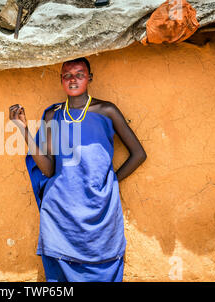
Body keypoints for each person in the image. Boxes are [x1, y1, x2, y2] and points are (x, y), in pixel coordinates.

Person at [8, 57, 147, 282]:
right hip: (60, 213)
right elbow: (48, 169)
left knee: (105, 266)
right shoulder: (54, 115)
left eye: (79, 74)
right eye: (67, 75)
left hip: (99, 210)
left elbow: (139, 154)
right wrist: (23, 130)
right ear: (61, 79)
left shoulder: (106, 111)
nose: (73, 79)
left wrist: (110, 182)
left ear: (89, 78)